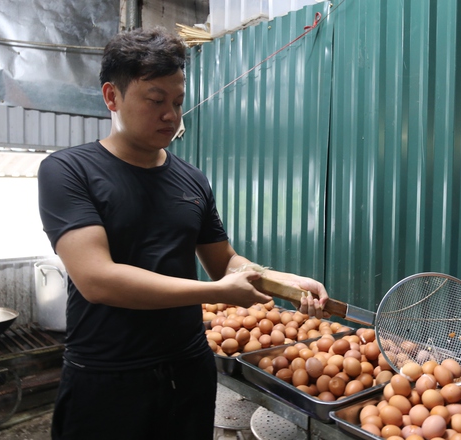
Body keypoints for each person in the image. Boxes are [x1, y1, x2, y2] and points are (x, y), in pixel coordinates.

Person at [37, 26, 329, 440]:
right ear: (112, 97)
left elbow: (223, 261)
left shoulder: (192, 179)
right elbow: (97, 280)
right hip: (108, 375)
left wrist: (284, 282)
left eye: (177, 102)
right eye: (156, 101)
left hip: (188, 369)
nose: (171, 115)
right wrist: (217, 292)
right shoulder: (68, 171)